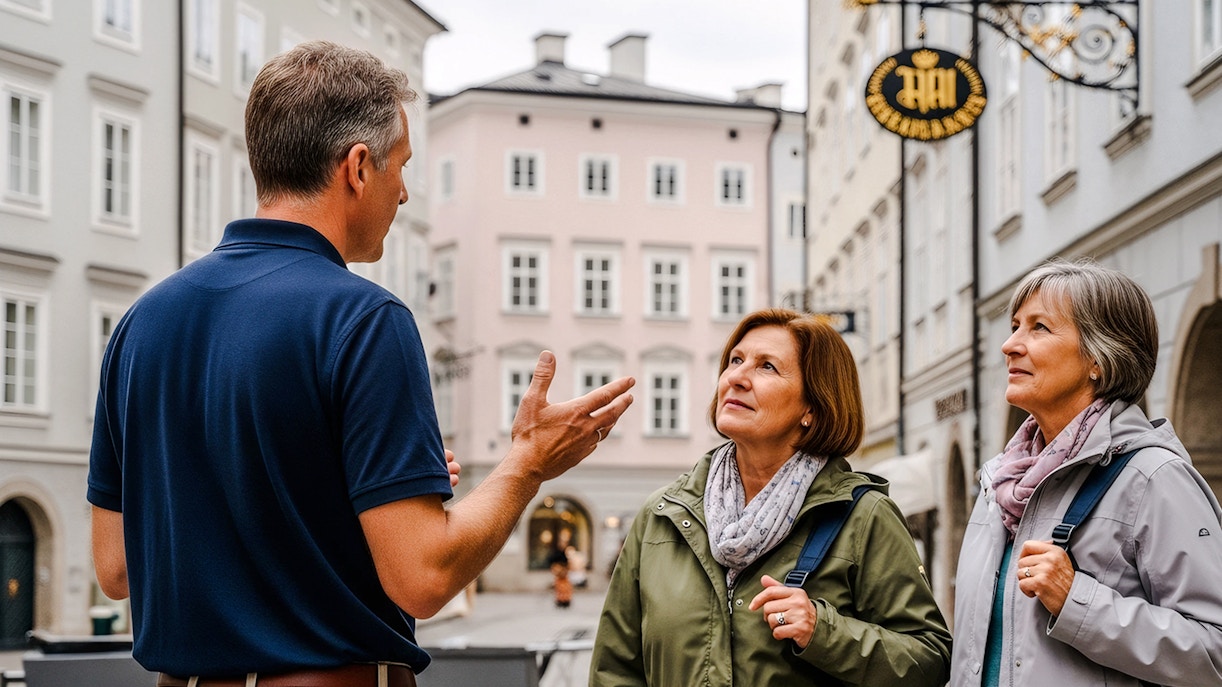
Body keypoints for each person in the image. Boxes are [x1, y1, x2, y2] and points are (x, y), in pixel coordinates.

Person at [87, 41, 635, 687]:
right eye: (400, 166)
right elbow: (423, 579)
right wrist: (527, 462)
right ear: (356, 167)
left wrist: (347, 498)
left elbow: (116, 567)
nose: (404, 193)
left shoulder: (144, 321)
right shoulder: (363, 318)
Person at [590, 308, 951, 686]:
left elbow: (930, 660)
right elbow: (615, 669)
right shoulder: (663, 515)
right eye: (735, 360)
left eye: (767, 367)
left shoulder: (862, 516)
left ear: (812, 406)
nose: (737, 378)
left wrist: (822, 631)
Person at [950, 259, 1222, 687]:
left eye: (1039, 327)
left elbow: (1215, 650)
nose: (1010, 345)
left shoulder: (1154, 478)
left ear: (1099, 358)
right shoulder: (999, 485)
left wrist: (1078, 601)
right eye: (1016, 325)